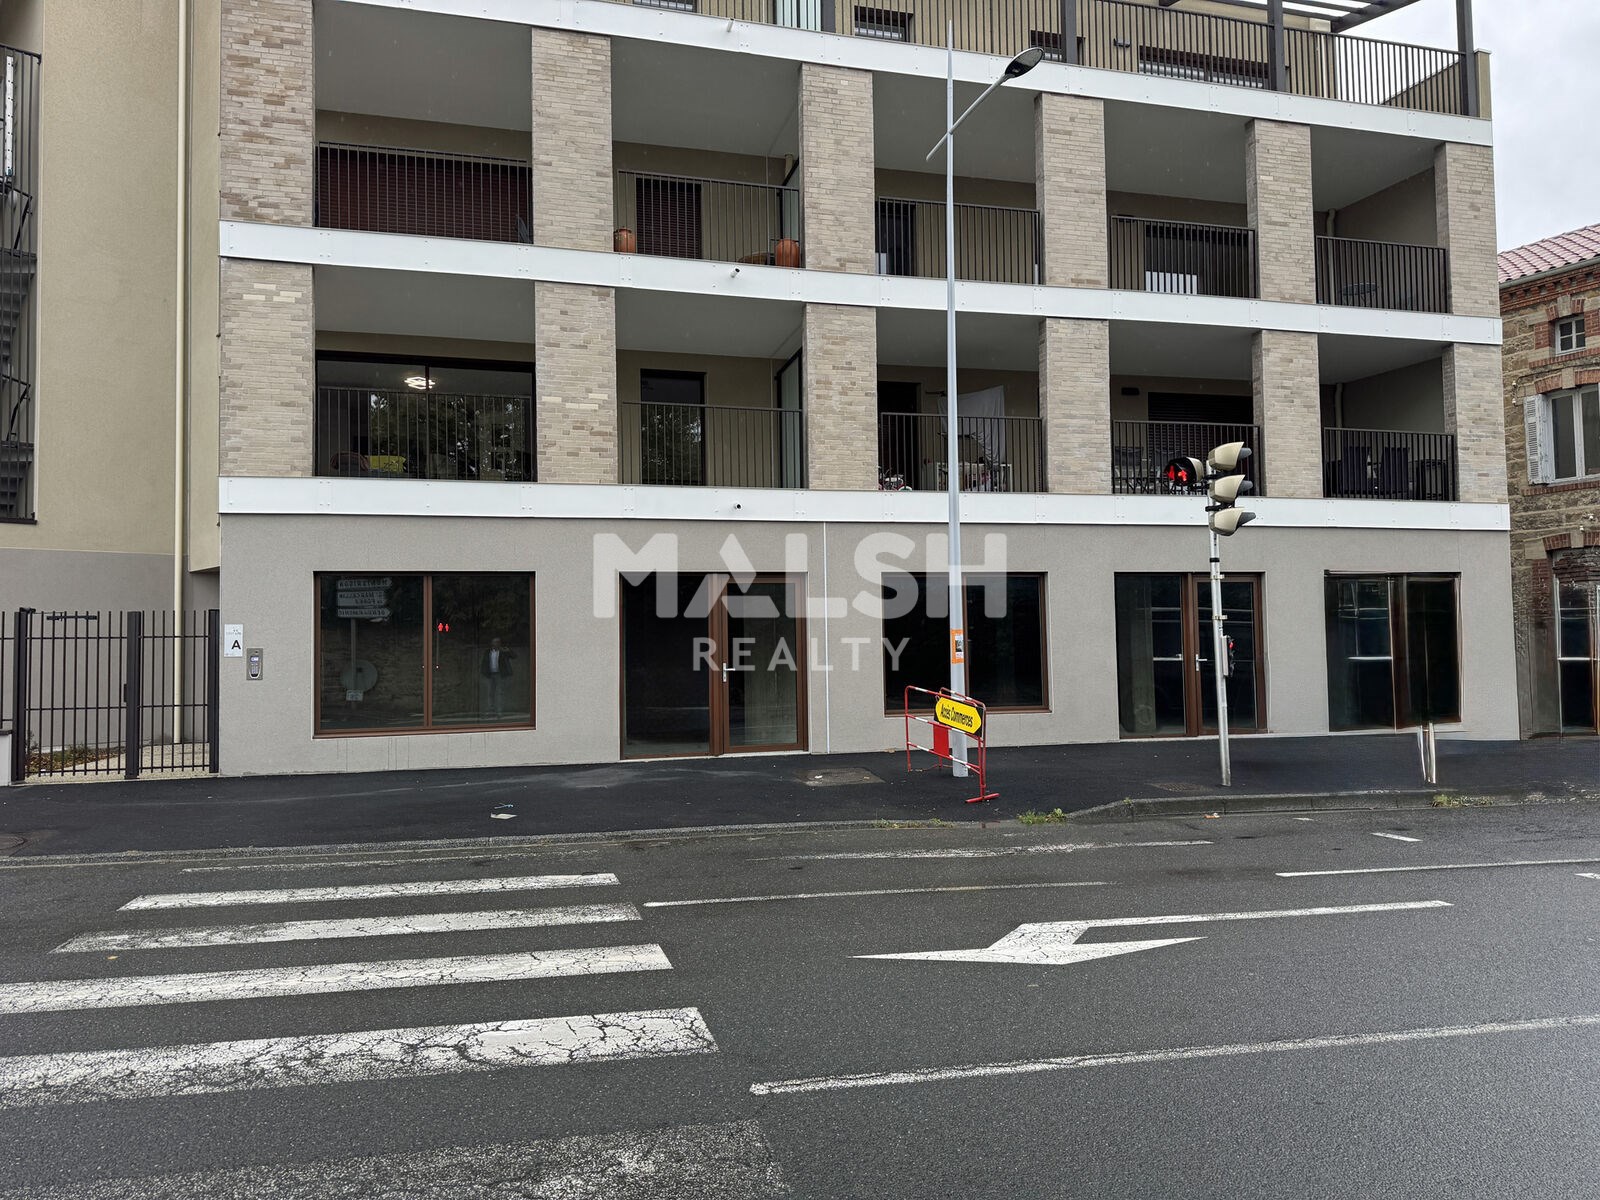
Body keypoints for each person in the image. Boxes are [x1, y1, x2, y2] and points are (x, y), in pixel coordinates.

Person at [480, 637, 516, 720]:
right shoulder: (488, 652)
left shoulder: (503, 652)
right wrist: (483, 672)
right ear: (492, 643)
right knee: (490, 693)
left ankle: (499, 712)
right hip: (490, 675)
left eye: (498, 642)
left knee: (500, 693)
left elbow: (514, 656)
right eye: (495, 642)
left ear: (500, 643)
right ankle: (490, 711)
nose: (496, 644)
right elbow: (484, 662)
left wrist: (508, 651)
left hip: (500, 675)